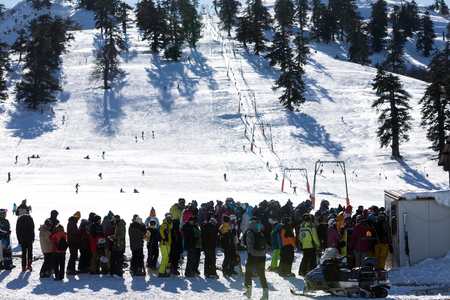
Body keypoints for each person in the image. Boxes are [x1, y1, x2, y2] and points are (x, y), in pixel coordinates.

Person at [243, 219, 269, 300]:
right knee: (261, 274)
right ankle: (265, 293)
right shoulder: (260, 233)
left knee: (248, 272)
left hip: (253, 255)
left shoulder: (249, 233)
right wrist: (263, 253)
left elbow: (249, 244)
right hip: (262, 256)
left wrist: (251, 252)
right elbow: (266, 245)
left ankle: (249, 291)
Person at [158, 213, 173, 277]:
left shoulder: (168, 225)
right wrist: (164, 238)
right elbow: (161, 230)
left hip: (167, 243)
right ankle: (161, 272)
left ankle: (163, 271)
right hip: (164, 244)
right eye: (169, 220)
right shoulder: (164, 225)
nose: (170, 221)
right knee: (165, 258)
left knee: (166, 258)